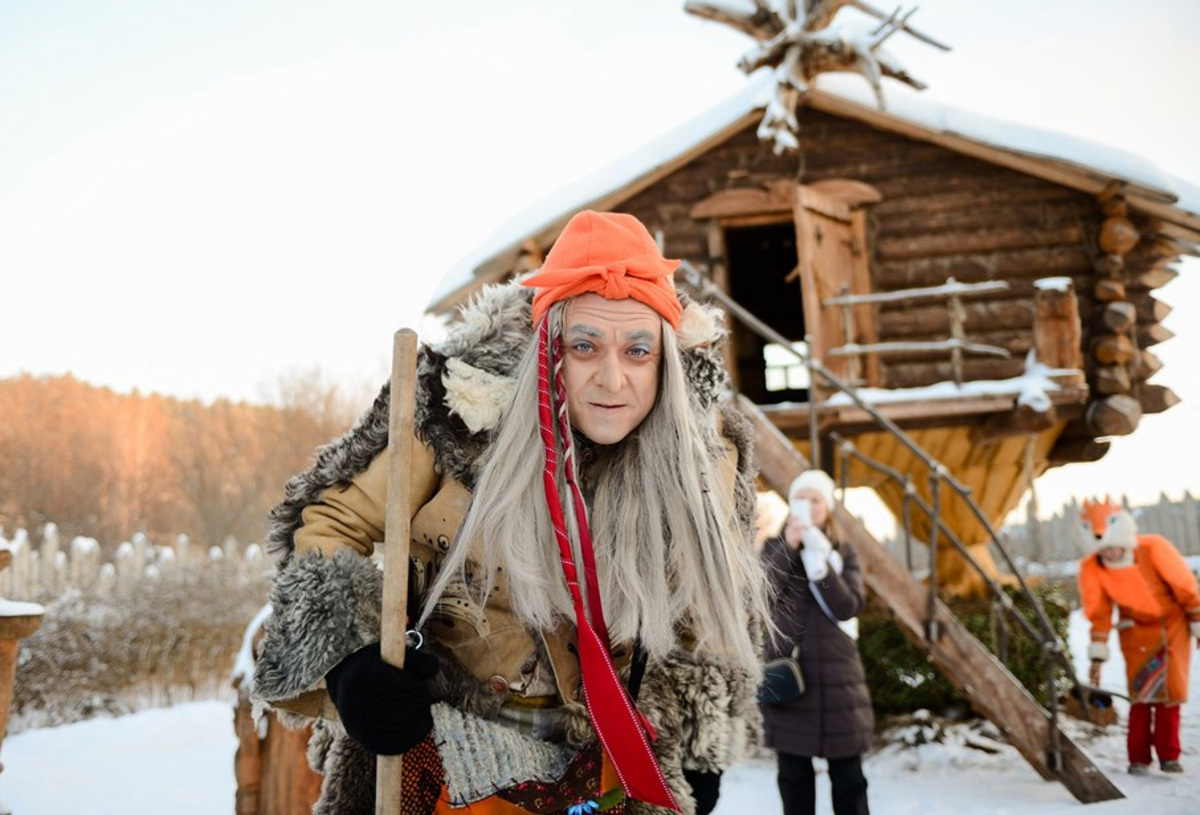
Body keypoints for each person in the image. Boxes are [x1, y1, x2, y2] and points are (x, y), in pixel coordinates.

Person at [251, 210, 772, 815]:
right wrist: (351, 662)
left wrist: (701, 752)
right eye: (585, 346)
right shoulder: (453, 417)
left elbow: (708, 603)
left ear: (664, 359)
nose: (612, 378)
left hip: (611, 760)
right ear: (549, 346)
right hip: (451, 750)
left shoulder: (702, 455)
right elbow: (327, 523)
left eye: (637, 350)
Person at [760, 470, 872, 815]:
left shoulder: (843, 554)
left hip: (839, 678)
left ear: (828, 506)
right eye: (801, 499)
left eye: (816, 499)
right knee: (793, 779)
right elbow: (759, 595)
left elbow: (847, 607)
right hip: (789, 675)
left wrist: (819, 565)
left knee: (849, 777)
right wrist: (790, 546)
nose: (808, 506)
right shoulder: (774, 548)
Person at [1077, 497, 1200, 775]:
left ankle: (1169, 755)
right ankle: (1138, 758)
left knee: (1170, 693)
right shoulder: (1092, 569)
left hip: (1172, 628)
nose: (1109, 554)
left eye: (1113, 547)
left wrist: (1197, 619)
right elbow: (1099, 614)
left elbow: (1185, 587)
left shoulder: (1153, 548)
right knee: (1141, 695)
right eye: (1103, 549)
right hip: (1134, 633)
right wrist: (1097, 658)